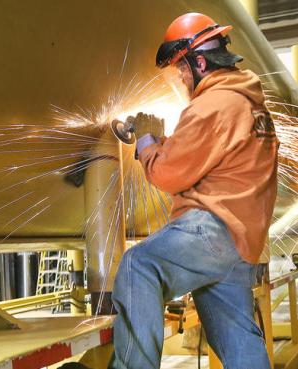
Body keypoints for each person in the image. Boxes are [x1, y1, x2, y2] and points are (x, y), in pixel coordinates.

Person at [104, 12, 279, 369]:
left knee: (139, 265)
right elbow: (207, 158)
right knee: (237, 341)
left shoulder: (212, 104)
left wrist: (148, 142)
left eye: (181, 68)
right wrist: (160, 141)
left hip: (213, 232)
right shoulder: (248, 103)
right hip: (243, 242)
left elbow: (169, 174)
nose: (181, 78)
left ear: (200, 61)